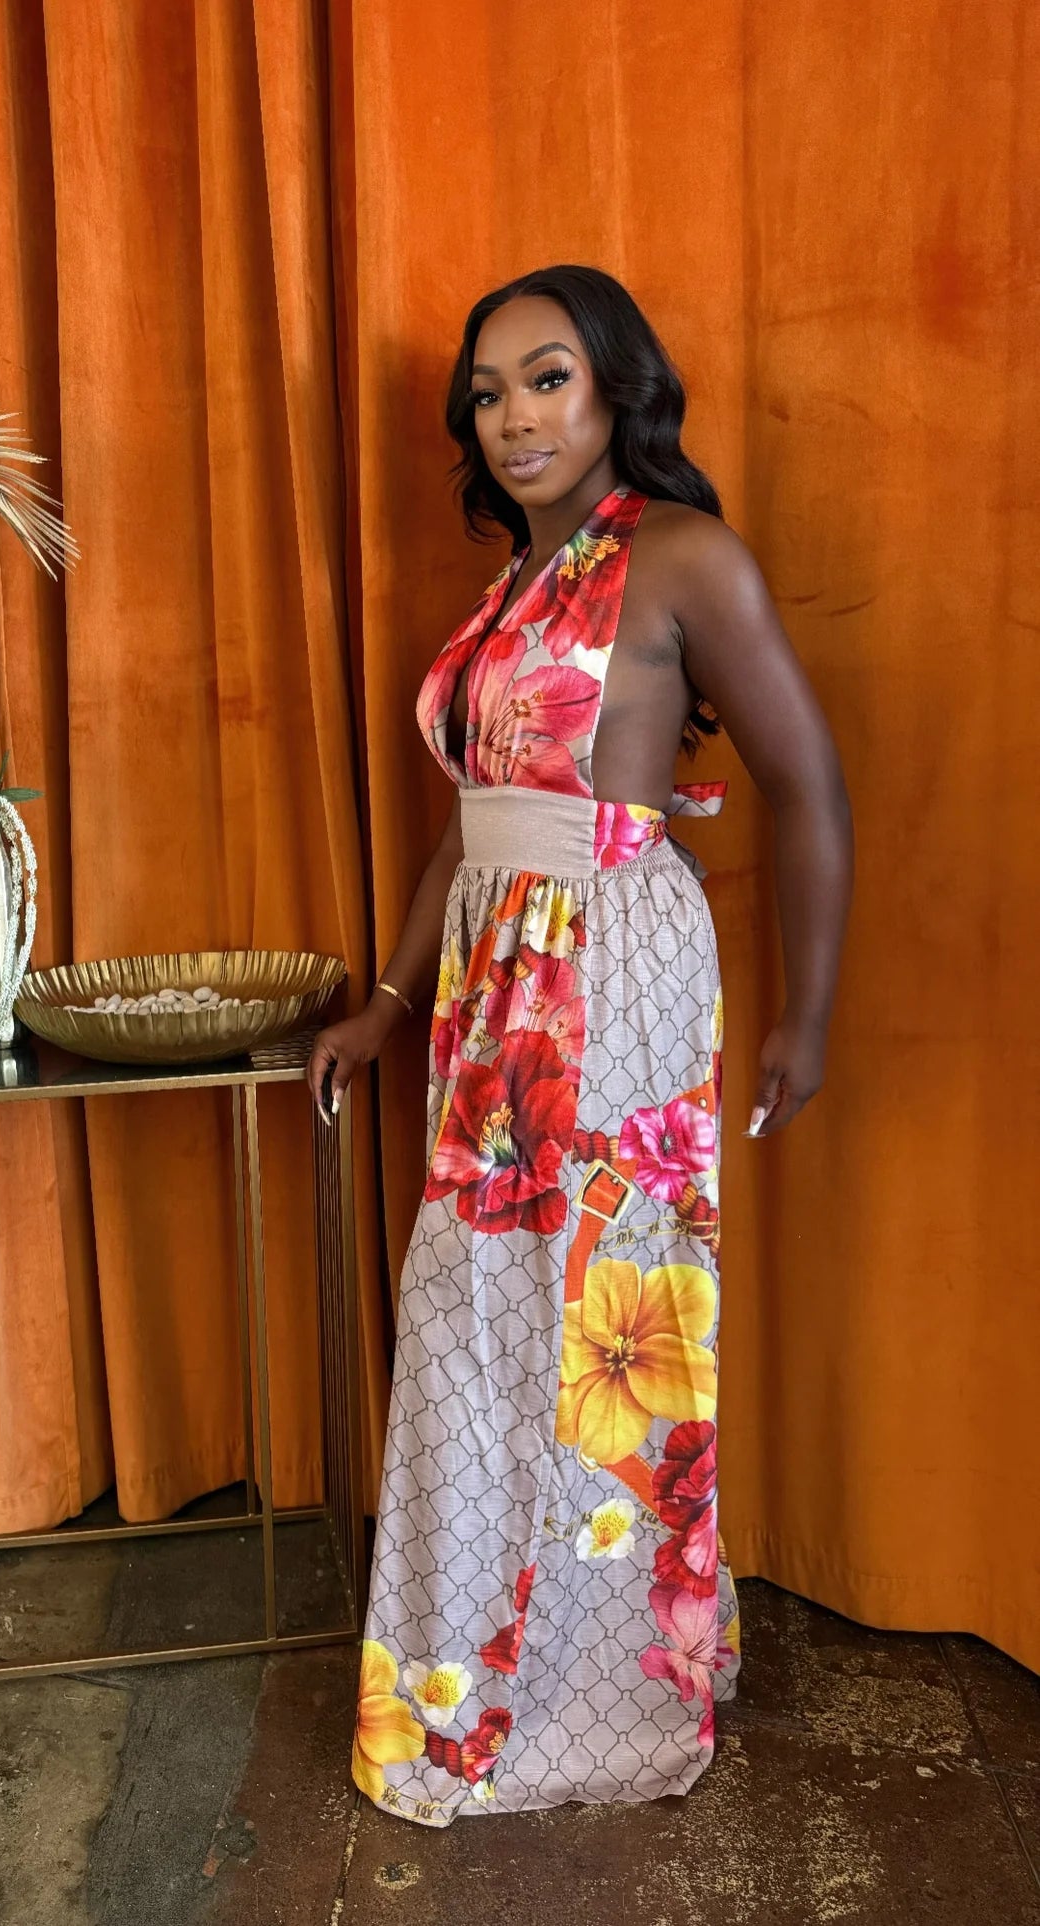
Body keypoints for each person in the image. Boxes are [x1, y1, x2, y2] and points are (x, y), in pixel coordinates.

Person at [307, 264, 852, 1827]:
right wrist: (388, 1002)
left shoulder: (679, 557)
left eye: (544, 378)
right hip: (493, 987)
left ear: (616, 387)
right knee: (482, 1319)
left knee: (599, 1331)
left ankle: (591, 1703)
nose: (512, 416)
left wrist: (803, 1019)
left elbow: (807, 785)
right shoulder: (507, 588)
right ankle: (468, 1680)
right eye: (485, 394)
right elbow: (464, 836)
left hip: (610, 968)